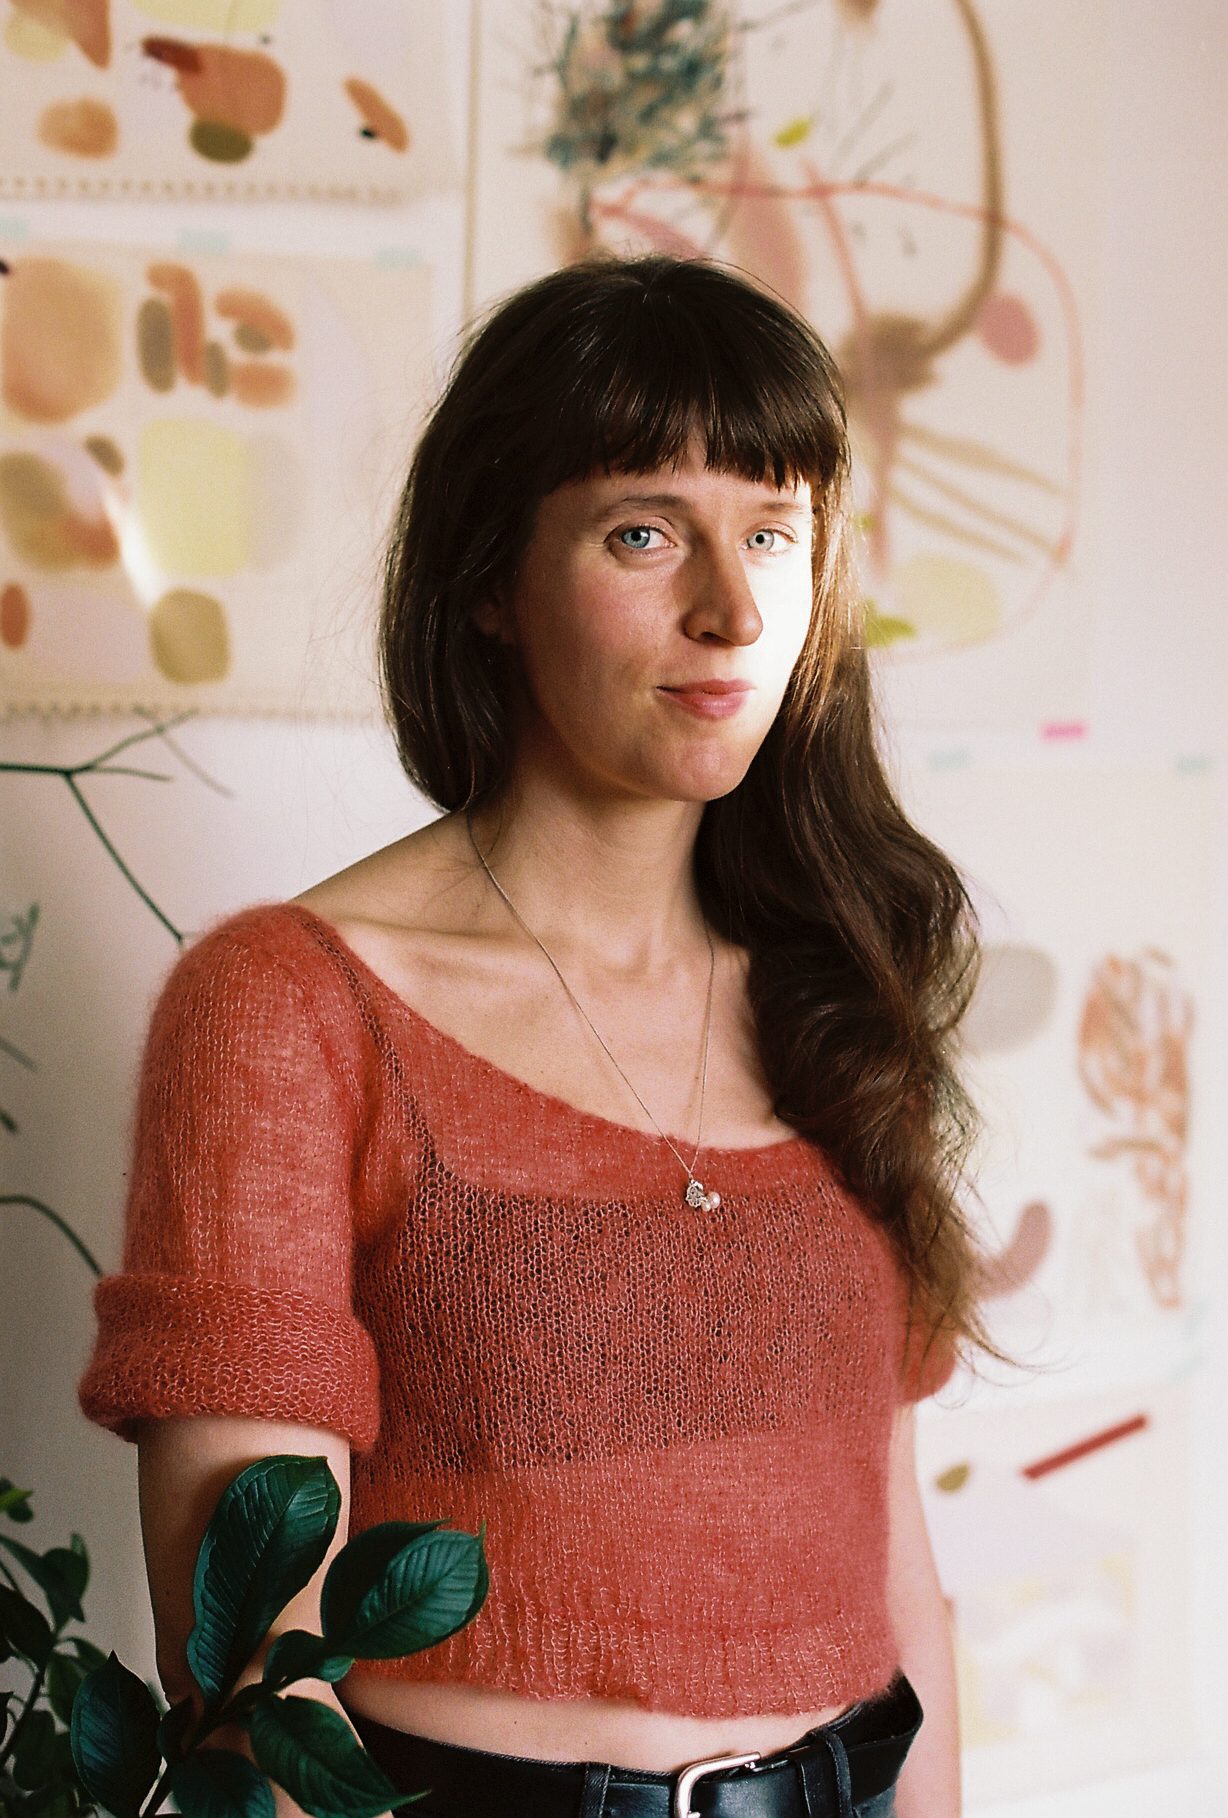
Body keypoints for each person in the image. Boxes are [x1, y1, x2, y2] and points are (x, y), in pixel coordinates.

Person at [78, 251, 992, 1818]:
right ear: (491, 582)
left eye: (772, 533)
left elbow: (890, 1548)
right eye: (645, 531)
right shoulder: (291, 1006)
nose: (731, 608)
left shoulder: (835, 989)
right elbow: (252, 1675)